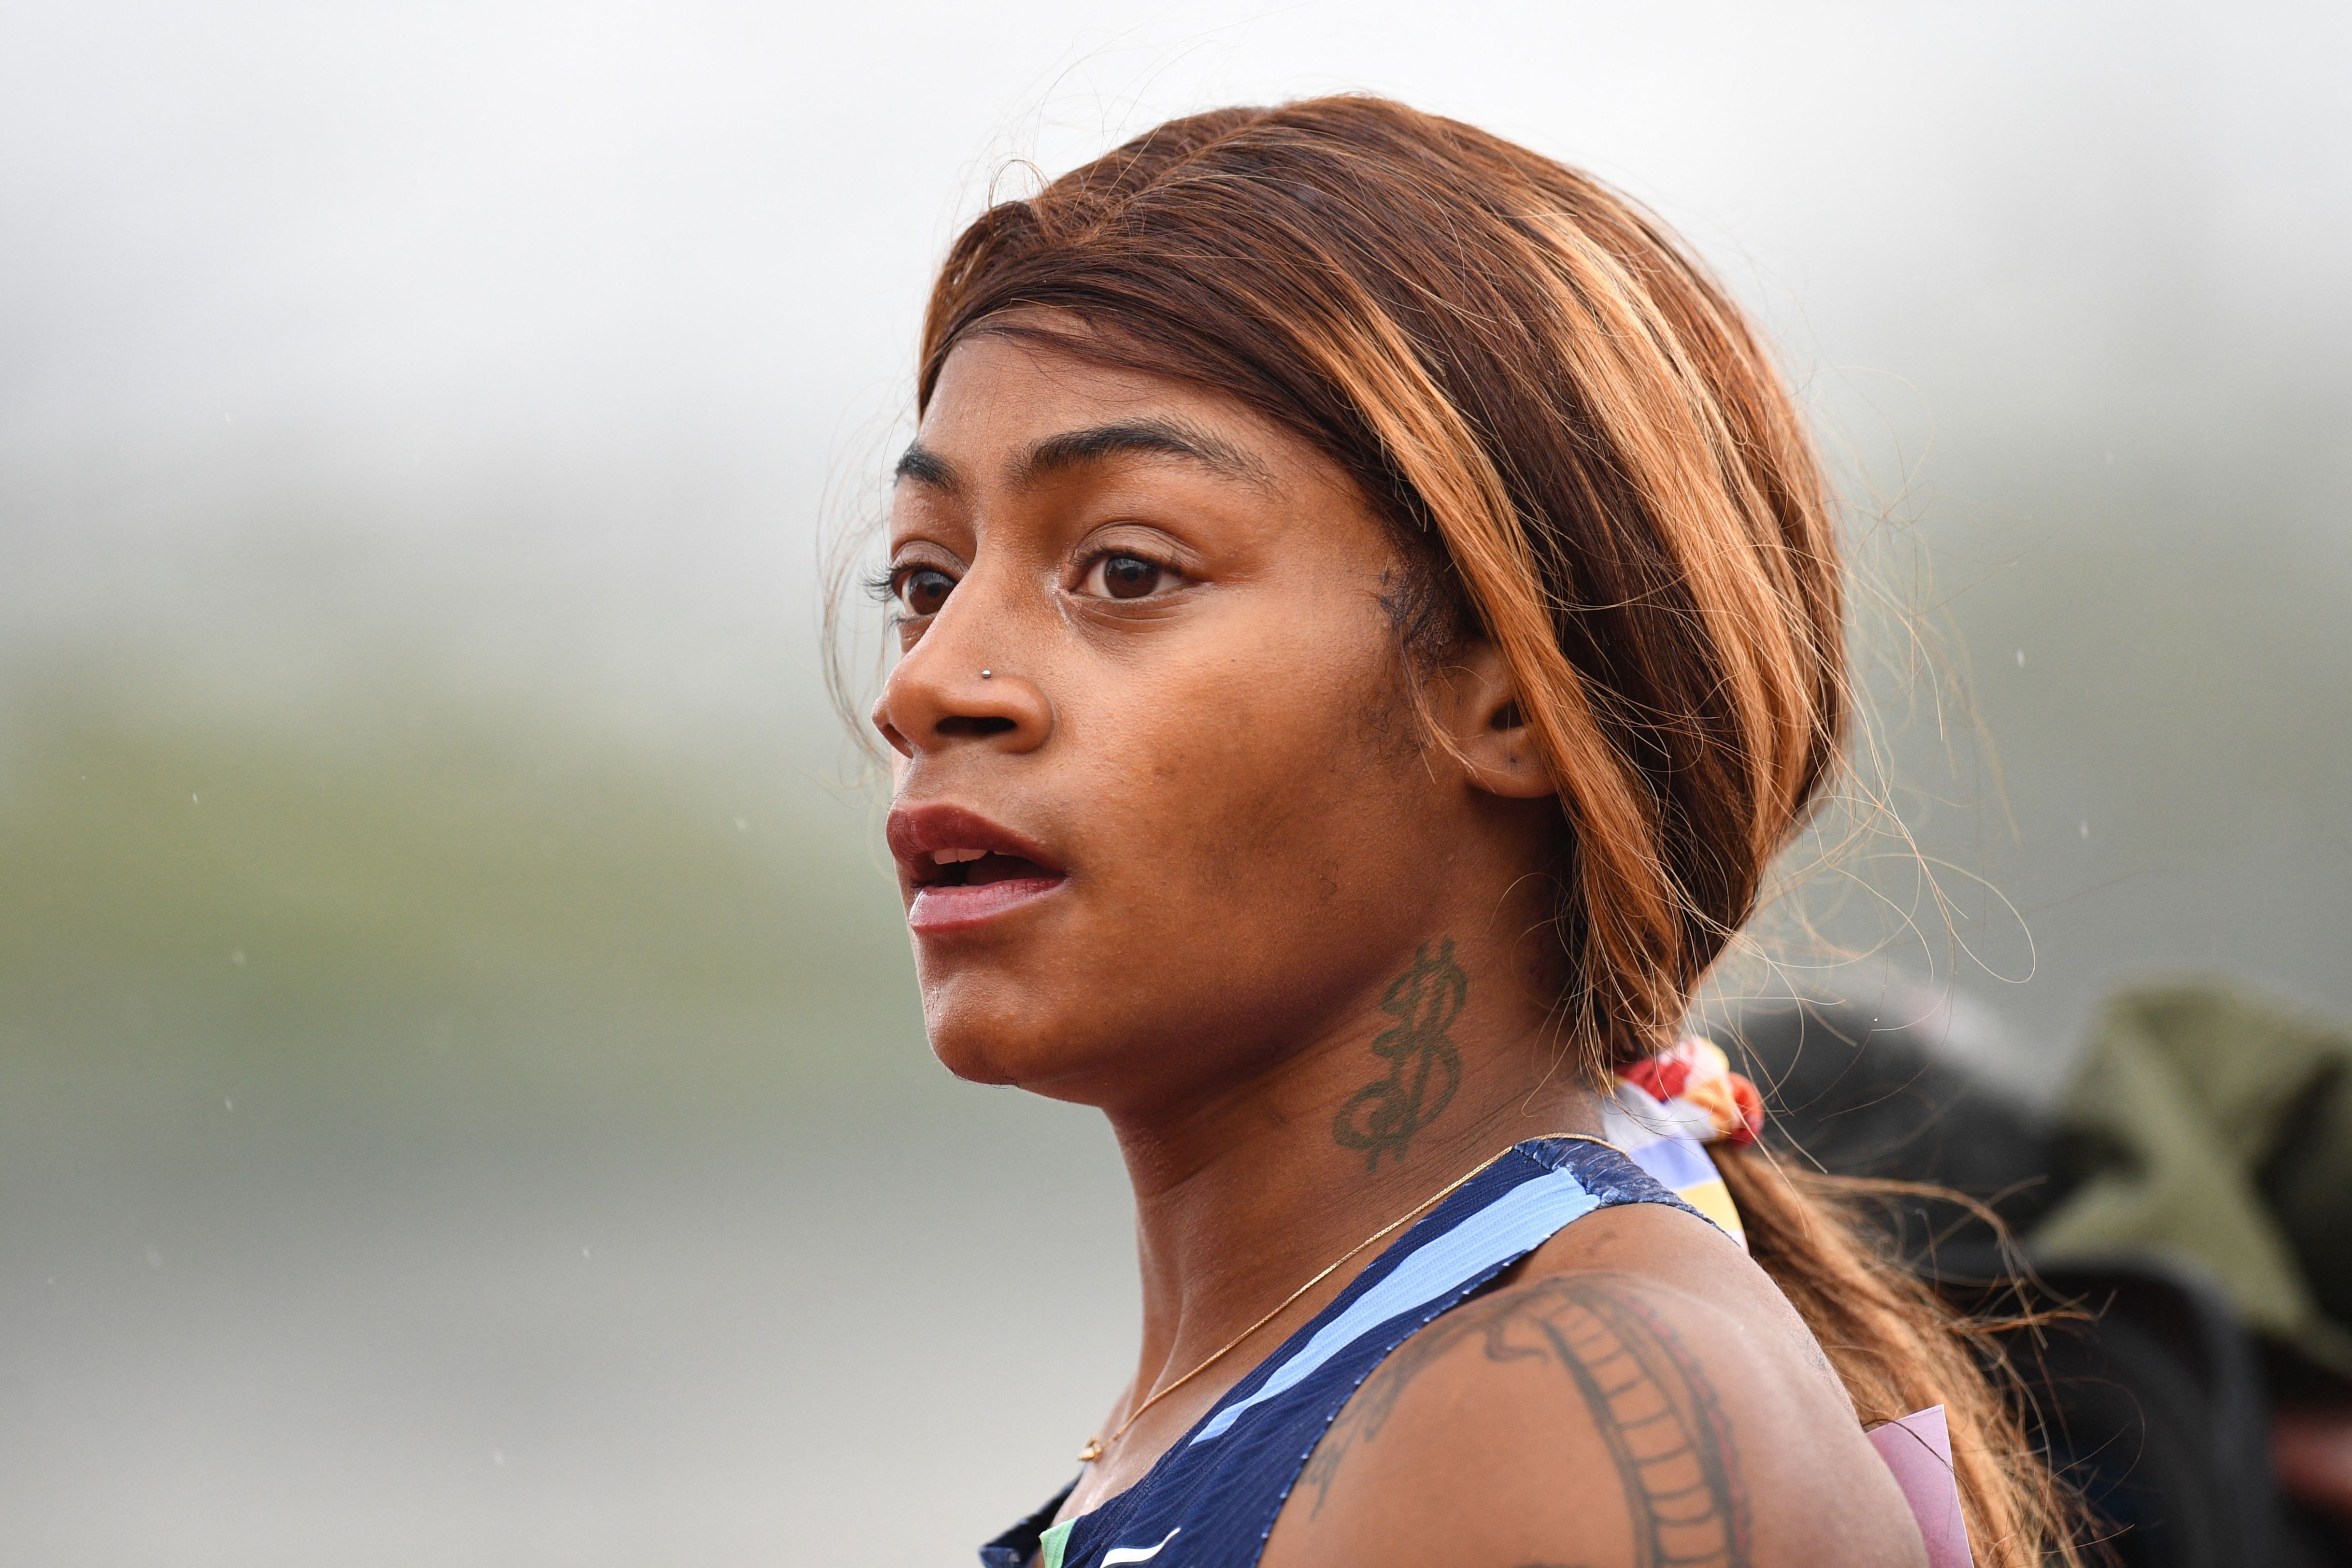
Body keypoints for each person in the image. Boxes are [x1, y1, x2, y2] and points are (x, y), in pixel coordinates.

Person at [851, 96, 2082, 1568]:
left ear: (1519, 695)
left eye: (1125, 568)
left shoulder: (1545, 1417)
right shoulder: (1303, 1405)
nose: (929, 685)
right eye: (923, 581)